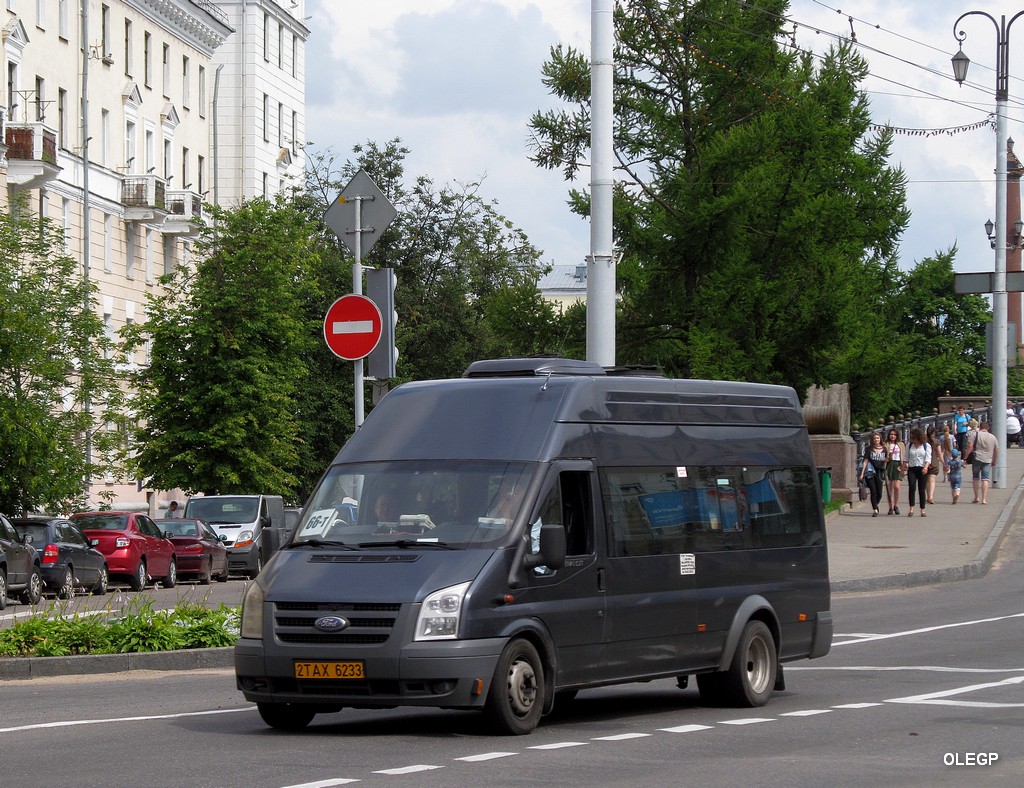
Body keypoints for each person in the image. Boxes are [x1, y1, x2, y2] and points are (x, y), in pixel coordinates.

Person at [966, 421, 999, 505]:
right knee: (985, 479)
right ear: (988, 428)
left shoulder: (974, 435)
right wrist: (994, 460)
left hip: (977, 458)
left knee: (976, 478)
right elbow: (996, 451)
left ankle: (976, 497)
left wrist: (966, 457)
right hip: (988, 460)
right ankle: (984, 499)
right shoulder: (993, 437)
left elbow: (970, 446)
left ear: (979, 427)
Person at [858, 431, 886, 517]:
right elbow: (865, 461)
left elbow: (886, 459)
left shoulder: (884, 449)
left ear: (880, 439)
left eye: (877, 438)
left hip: (879, 472)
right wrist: (862, 473)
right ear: (872, 440)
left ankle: (875, 504)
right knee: (873, 491)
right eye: (874, 438)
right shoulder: (869, 449)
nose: (876, 440)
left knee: (879, 493)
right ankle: (875, 509)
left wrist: (887, 460)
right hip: (870, 472)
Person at [905, 427, 931, 518]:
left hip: (922, 468)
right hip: (912, 468)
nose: (912, 439)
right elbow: (906, 457)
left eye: (914, 437)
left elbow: (928, 458)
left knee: (921, 489)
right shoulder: (909, 445)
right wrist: (905, 464)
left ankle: (922, 509)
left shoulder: (926, 446)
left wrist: (926, 467)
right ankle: (911, 508)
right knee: (912, 487)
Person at [884, 428, 907, 515]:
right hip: (889, 465)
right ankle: (890, 506)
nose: (892, 436)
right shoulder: (886, 444)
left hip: (898, 465)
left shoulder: (900, 444)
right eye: (891, 434)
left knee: (897, 486)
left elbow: (904, 455)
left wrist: (905, 465)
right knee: (890, 487)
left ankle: (896, 505)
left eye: (894, 434)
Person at [925, 425, 942, 506]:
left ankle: (928, 496)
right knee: (932, 481)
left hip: (925, 463)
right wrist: (944, 463)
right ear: (934, 433)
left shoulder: (924, 441)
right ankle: (931, 497)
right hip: (934, 462)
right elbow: (939, 453)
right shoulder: (936, 441)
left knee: (927, 481)